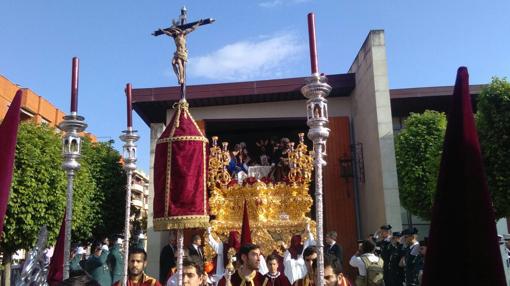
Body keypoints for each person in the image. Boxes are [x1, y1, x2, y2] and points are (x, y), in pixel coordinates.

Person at [159, 20, 203, 85]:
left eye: (175, 30)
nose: (174, 32)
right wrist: (162, 31)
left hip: (183, 52)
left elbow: (192, 28)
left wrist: (198, 24)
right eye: (173, 31)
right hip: (177, 52)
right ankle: (178, 77)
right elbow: (167, 33)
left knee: (179, 63)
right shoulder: (174, 36)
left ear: (178, 30)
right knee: (173, 63)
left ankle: (181, 78)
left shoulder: (183, 34)